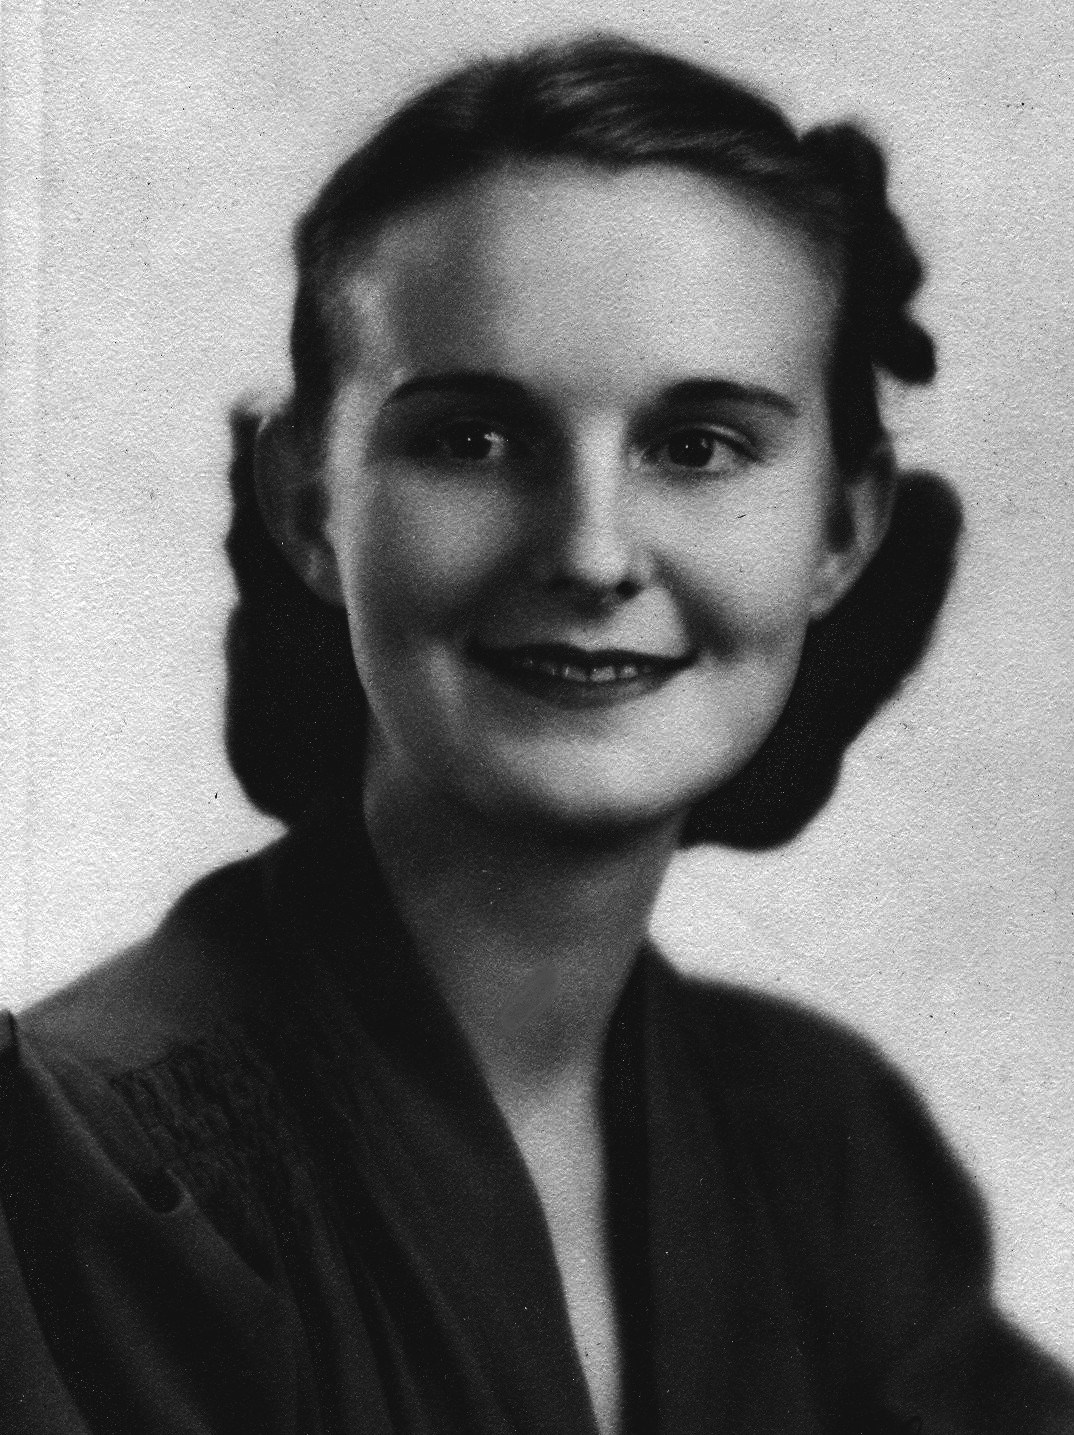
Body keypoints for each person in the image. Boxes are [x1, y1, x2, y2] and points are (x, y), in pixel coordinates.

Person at [2, 33, 1071, 1435]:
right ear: (308, 504)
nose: (590, 553)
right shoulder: (84, 1161)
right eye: (473, 440)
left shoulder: (827, 1143)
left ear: (841, 529)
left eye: (697, 447)